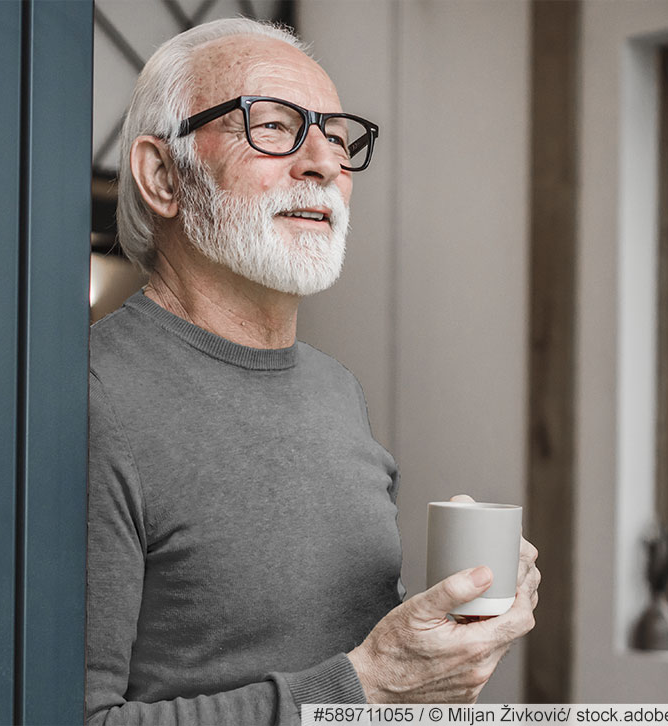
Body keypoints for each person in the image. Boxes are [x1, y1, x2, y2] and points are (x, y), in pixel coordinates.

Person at [86, 18, 540, 726]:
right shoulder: (89, 398)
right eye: (272, 126)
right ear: (162, 175)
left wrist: (439, 659)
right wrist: (369, 685)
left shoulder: (338, 392)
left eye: (336, 135)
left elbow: (352, 675)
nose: (325, 161)